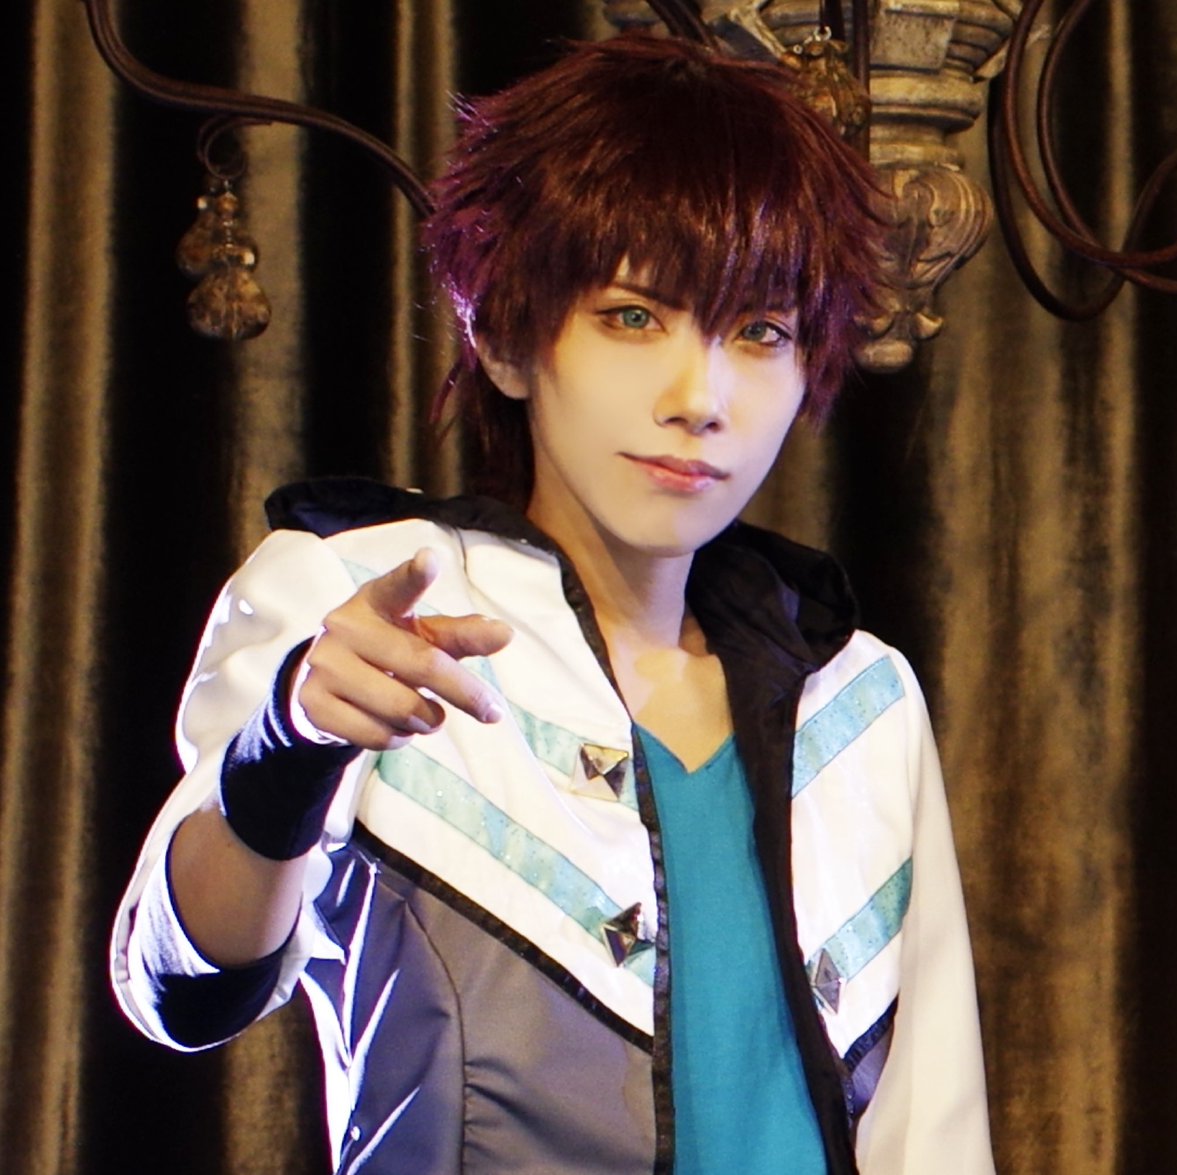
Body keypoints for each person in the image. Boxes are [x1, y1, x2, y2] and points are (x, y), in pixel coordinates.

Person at [111, 33, 994, 1175]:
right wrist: (284, 748)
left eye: (760, 332)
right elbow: (180, 985)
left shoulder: (859, 695)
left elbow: (934, 1126)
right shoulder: (360, 602)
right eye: (633, 316)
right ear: (507, 337)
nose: (700, 395)